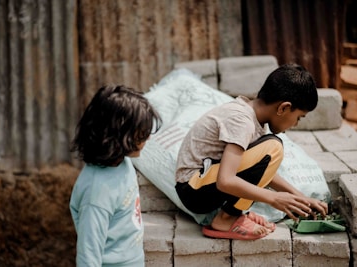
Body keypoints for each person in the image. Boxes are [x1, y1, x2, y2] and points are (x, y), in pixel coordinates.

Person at [175, 64, 328, 240]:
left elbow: (259, 170)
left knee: (270, 152)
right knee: (274, 148)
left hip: (201, 185)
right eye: (299, 118)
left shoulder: (253, 120)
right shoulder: (242, 120)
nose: (295, 124)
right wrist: (274, 198)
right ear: (284, 108)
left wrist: (301, 198)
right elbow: (226, 181)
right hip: (193, 189)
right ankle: (225, 219)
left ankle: (235, 215)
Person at [69, 85, 162, 266]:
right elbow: (88, 255)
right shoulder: (96, 193)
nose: (147, 138)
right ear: (120, 136)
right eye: (142, 134)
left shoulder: (122, 162)